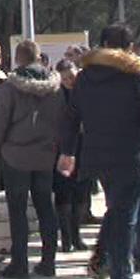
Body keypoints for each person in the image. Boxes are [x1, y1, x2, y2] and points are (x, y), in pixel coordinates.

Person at [59, 23, 140, 279]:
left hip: (97, 156)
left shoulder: (85, 77)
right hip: (131, 155)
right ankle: (121, 278)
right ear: (129, 48)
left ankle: (101, 262)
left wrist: (68, 152)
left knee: (117, 210)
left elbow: (71, 117)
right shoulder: (136, 73)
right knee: (125, 217)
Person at [0, 40, 63, 279]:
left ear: (17, 58)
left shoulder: (9, 88)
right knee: (46, 208)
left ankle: (19, 264)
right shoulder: (55, 88)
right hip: (45, 156)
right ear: (39, 57)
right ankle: (48, 261)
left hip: (15, 156)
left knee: (18, 210)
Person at [52, 58, 91, 252]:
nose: (69, 81)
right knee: (63, 195)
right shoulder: (56, 95)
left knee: (80, 194)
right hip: (63, 149)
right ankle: (66, 238)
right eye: (65, 78)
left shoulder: (86, 92)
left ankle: (76, 236)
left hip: (83, 148)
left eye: (72, 76)